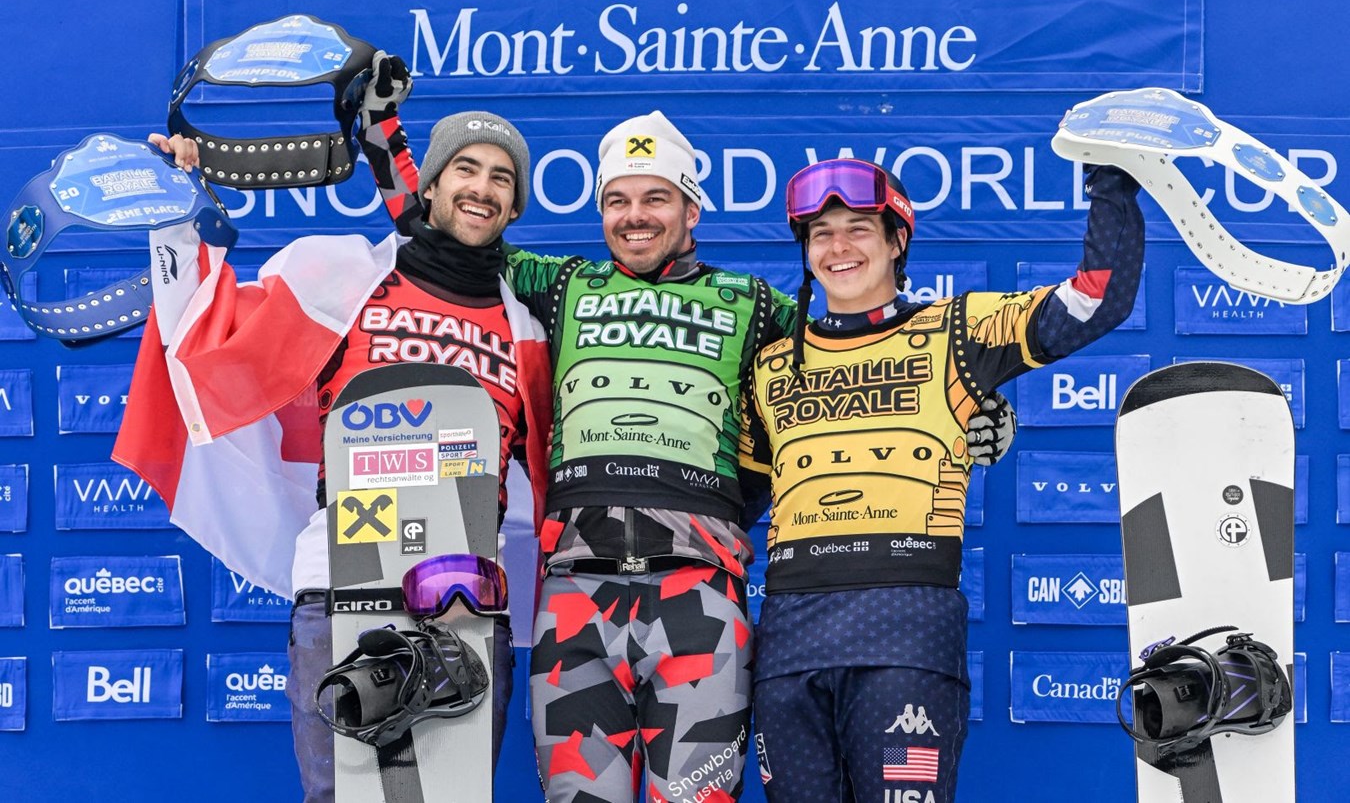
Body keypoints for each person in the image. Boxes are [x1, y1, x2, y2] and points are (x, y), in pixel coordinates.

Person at [356, 78, 1015, 802]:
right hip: (577, 596)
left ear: (691, 207)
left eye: (655, 197)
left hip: (700, 599)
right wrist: (386, 134)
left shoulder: (754, 303)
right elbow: (444, 226)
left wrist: (975, 415)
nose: (635, 217)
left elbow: (859, 357)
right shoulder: (562, 283)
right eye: (618, 200)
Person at [113, 54, 552, 802]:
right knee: (342, 799)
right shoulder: (344, 280)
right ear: (433, 186)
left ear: (513, 209)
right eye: (466, 170)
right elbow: (210, 344)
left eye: (502, 178)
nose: (481, 187)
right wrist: (182, 210)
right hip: (343, 586)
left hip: (465, 601)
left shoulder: (529, 327)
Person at [739, 157, 1144, 803]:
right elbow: (729, 497)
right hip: (791, 637)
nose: (838, 248)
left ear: (898, 241)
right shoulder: (769, 364)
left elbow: (1094, 300)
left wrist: (1111, 183)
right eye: (820, 233)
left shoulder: (955, 331)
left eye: (858, 230)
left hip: (906, 627)